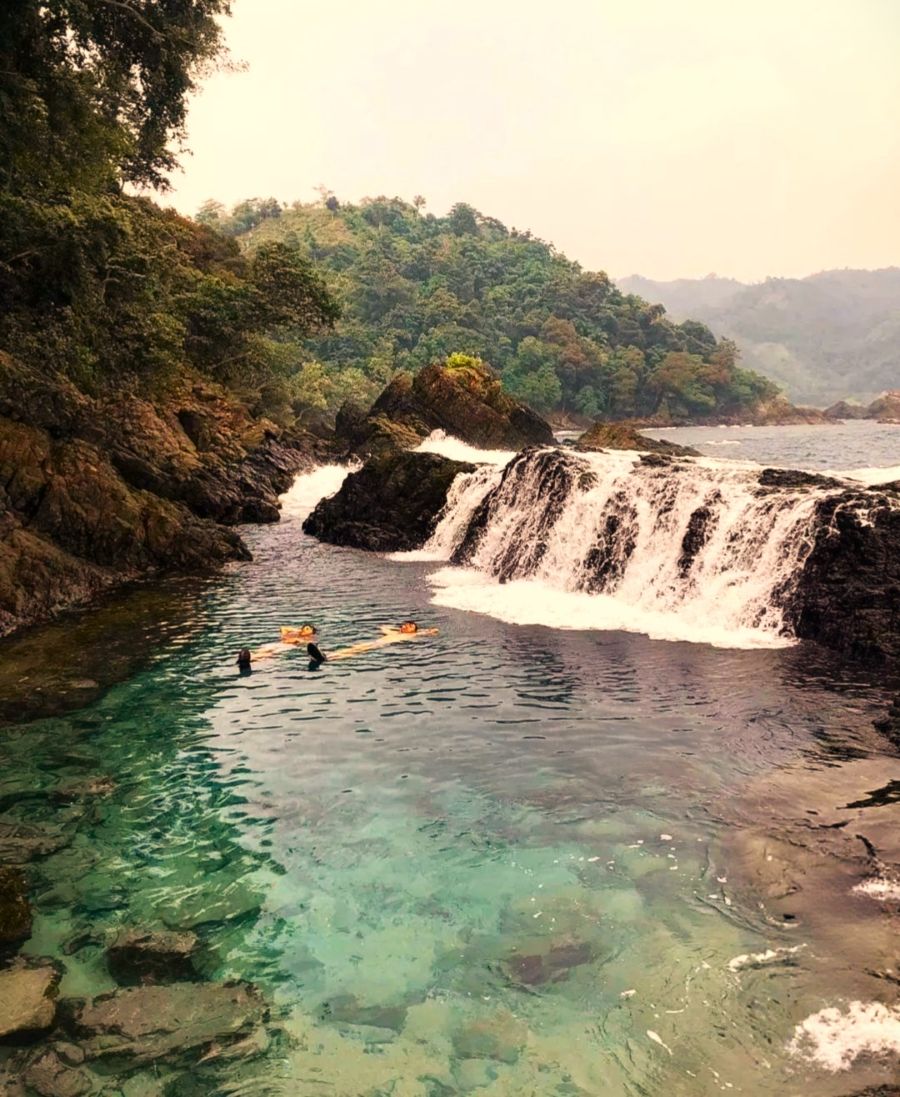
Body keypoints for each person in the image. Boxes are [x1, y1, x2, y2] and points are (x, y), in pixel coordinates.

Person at [314, 622, 438, 662]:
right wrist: (398, 628)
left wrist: (425, 630)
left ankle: (329, 658)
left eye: (410, 626)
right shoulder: (394, 633)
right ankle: (328, 655)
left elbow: (432, 631)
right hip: (375, 642)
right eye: (405, 625)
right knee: (354, 648)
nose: (406, 627)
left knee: (356, 651)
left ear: (414, 630)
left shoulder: (414, 634)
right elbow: (383, 627)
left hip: (379, 645)